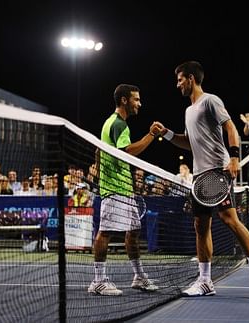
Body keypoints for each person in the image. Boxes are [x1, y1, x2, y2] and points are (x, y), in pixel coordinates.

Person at [160, 61, 249, 298]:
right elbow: (189, 142)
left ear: (190, 78)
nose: (177, 84)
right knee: (200, 226)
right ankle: (205, 281)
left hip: (217, 171)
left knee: (229, 219)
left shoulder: (211, 100)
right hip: (199, 175)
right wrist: (166, 134)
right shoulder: (188, 110)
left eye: (180, 79)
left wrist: (233, 158)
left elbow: (231, 128)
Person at [88, 84, 163, 296]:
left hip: (123, 188)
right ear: (124, 100)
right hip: (115, 189)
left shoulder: (111, 124)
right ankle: (99, 280)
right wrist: (150, 135)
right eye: (136, 100)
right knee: (106, 232)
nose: (139, 103)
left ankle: (139, 276)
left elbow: (99, 151)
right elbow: (127, 152)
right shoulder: (119, 124)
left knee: (133, 232)